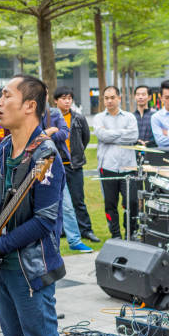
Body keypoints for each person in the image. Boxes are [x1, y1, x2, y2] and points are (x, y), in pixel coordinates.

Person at [0, 74, 65, 336]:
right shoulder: (3, 149)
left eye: (7, 95)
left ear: (29, 106)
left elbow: (44, 221)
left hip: (32, 269)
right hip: (2, 264)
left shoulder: (45, 156)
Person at [41, 93, 92, 252]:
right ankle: (43, 244)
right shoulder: (28, 115)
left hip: (54, 163)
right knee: (39, 205)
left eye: (45, 93)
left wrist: (46, 134)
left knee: (68, 205)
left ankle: (74, 240)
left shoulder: (54, 113)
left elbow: (64, 133)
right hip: (37, 164)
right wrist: (47, 132)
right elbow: (29, 137)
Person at [54, 86, 99, 243]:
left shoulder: (78, 118)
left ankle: (86, 230)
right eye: (63, 98)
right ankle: (62, 230)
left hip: (74, 165)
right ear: (56, 101)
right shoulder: (50, 118)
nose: (67, 101)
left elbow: (85, 138)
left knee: (78, 200)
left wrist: (77, 152)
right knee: (57, 200)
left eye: (69, 98)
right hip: (56, 165)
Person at [94, 86, 139, 238]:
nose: (109, 101)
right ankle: (115, 234)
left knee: (132, 202)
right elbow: (102, 136)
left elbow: (133, 136)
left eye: (112, 97)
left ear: (119, 98)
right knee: (110, 204)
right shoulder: (99, 118)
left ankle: (131, 232)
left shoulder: (129, 117)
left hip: (128, 166)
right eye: (106, 98)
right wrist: (122, 134)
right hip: (108, 167)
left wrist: (110, 134)